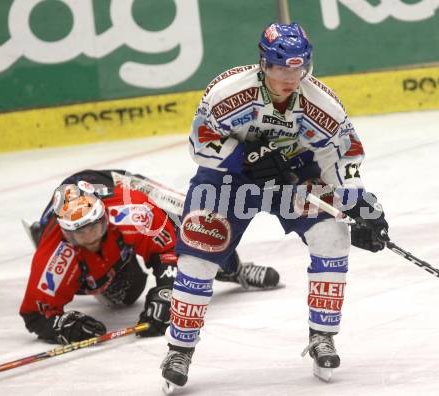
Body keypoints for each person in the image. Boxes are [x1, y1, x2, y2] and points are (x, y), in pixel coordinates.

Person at [160, 22, 389, 390]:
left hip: (292, 178)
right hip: (228, 179)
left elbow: (342, 154)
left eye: (298, 69)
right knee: (199, 253)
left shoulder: (321, 104)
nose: (290, 78)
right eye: (282, 68)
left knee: (332, 236)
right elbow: (200, 143)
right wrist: (244, 158)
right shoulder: (228, 93)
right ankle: (180, 348)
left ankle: (322, 336)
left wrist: (358, 201)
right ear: (263, 65)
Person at [20, 169, 280, 345]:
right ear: (66, 232)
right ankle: (60, 248)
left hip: (115, 182)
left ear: (104, 216)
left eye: (94, 227)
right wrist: (63, 326)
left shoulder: (131, 209)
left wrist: (167, 290)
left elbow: (170, 247)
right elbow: (35, 314)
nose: (90, 238)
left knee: (190, 223)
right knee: (126, 294)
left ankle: (234, 268)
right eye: (79, 233)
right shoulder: (55, 255)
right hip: (82, 243)